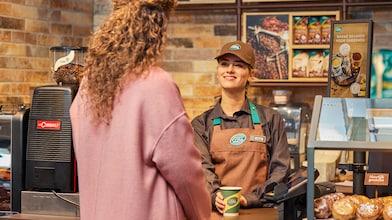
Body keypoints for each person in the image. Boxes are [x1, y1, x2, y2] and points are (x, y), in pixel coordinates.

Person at [70, 0, 211, 219]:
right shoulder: (156, 84)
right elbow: (184, 172)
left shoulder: (89, 86)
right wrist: (203, 214)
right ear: (157, 30)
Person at [191, 40, 291, 213]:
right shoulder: (201, 124)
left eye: (238, 65)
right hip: (218, 213)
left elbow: (281, 171)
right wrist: (215, 196)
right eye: (224, 64)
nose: (230, 70)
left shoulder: (271, 119)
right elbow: (201, 169)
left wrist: (250, 198)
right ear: (218, 72)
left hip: (260, 212)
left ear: (250, 74)